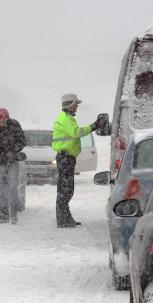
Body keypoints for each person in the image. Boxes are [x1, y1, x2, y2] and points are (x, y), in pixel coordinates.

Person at [52, 94, 104, 228]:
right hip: (65, 158)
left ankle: (65, 218)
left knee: (66, 189)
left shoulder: (67, 118)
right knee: (65, 190)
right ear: (69, 105)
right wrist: (94, 126)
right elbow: (76, 133)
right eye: (76, 104)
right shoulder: (66, 119)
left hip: (66, 157)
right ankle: (63, 220)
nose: (77, 106)